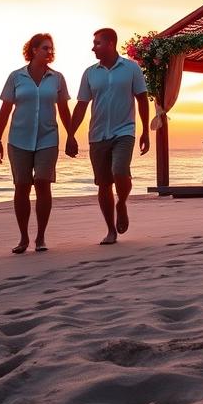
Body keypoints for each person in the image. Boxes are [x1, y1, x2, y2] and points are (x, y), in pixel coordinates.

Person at [66, 28, 149, 245]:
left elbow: (141, 99)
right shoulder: (90, 73)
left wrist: (145, 132)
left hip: (124, 131)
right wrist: (71, 134)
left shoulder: (131, 68)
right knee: (103, 184)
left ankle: (121, 203)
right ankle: (111, 230)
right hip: (97, 135)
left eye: (97, 43)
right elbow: (82, 105)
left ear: (111, 43)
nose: (93, 47)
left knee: (120, 171)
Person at [0, 33, 71, 254]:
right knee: (22, 186)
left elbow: (64, 110)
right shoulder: (16, 77)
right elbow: (5, 110)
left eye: (51, 48)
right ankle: (23, 238)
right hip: (19, 140)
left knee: (43, 183)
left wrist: (71, 135)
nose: (49, 52)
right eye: (45, 48)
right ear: (34, 50)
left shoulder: (57, 78)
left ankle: (40, 237)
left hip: (48, 138)